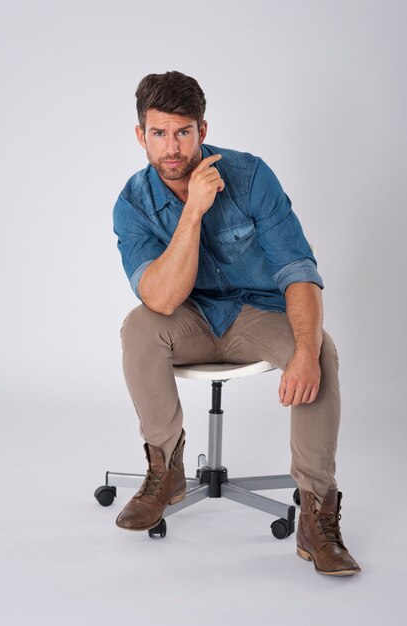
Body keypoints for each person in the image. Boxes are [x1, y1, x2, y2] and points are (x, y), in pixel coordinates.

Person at [112, 70, 361, 576]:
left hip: (259, 314)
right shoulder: (133, 204)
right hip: (188, 320)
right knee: (138, 325)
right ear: (141, 136)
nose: (172, 147)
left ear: (203, 129)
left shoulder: (250, 176)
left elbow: (298, 271)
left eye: (183, 132)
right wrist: (193, 213)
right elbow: (160, 297)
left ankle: (316, 513)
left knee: (321, 351)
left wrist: (305, 354)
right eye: (159, 134)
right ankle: (166, 470)